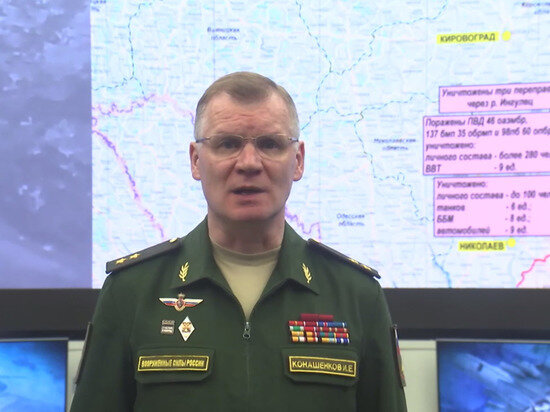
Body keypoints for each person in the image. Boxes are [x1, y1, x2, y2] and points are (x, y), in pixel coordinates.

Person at [70, 72, 407, 411]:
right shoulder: (131, 292)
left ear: (298, 160)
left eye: (270, 144)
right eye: (227, 144)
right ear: (196, 160)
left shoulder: (357, 295)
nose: (248, 163)